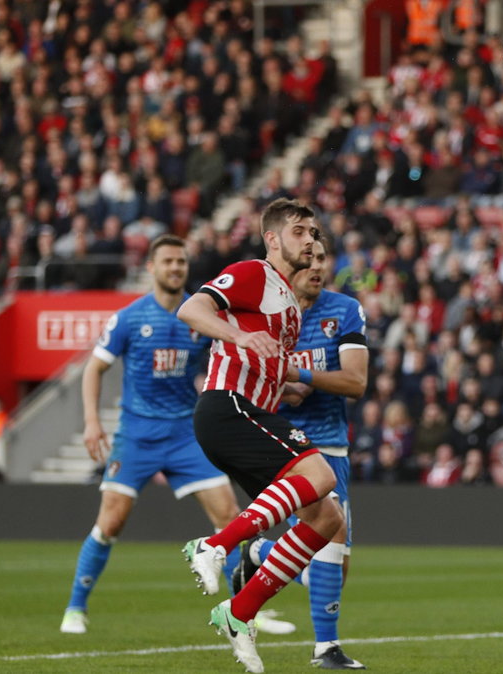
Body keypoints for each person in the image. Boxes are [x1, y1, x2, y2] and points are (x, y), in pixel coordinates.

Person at [177, 198, 343, 673]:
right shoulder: (253, 272)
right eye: (298, 231)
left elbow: (263, 353)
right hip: (226, 406)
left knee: (325, 518)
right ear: (272, 239)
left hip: (252, 412)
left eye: (313, 232)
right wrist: (239, 338)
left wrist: (283, 385)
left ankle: (239, 612)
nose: (309, 239)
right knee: (320, 474)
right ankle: (214, 545)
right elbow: (193, 308)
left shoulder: (290, 308)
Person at [60, 235, 240, 635]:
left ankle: (244, 611)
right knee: (110, 523)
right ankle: (75, 607)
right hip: (136, 435)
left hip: (185, 434)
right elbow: (94, 368)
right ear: (152, 268)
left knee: (230, 519)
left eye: (181, 261)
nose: (176, 268)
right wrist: (92, 421)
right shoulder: (128, 318)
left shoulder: (200, 314)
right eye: (168, 262)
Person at [232, 238, 369, 669]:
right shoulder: (266, 314)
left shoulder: (345, 310)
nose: (317, 266)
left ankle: (256, 554)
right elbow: (246, 379)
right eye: (309, 258)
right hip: (286, 444)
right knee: (330, 536)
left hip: (333, 446)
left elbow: (356, 383)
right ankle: (326, 648)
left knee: (334, 571)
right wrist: (281, 389)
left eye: (322, 259)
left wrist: (300, 374)